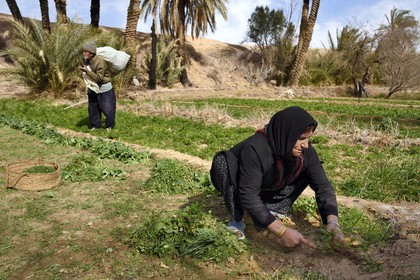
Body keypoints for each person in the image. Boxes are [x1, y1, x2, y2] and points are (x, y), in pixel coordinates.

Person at [210, 106, 345, 248]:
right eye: (301, 139)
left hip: (265, 182)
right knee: (222, 162)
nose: (305, 145)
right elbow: (248, 194)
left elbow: (323, 186)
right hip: (238, 182)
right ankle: (237, 219)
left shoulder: (304, 151)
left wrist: (333, 222)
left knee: (306, 168)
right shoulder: (256, 148)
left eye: (308, 138)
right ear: (287, 134)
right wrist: (281, 231)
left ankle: (271, 208)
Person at [80, 41, 116, 130]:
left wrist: (87, 71)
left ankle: (109, 126)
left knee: (108, 108)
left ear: (92, 53)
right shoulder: (85, 59)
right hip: (92, 87)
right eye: (83, 51)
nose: (84, 53)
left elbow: (99, 78)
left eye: (86, 51)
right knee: (93, 107)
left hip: (104, 88)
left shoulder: (100, 62)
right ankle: (95, 125)